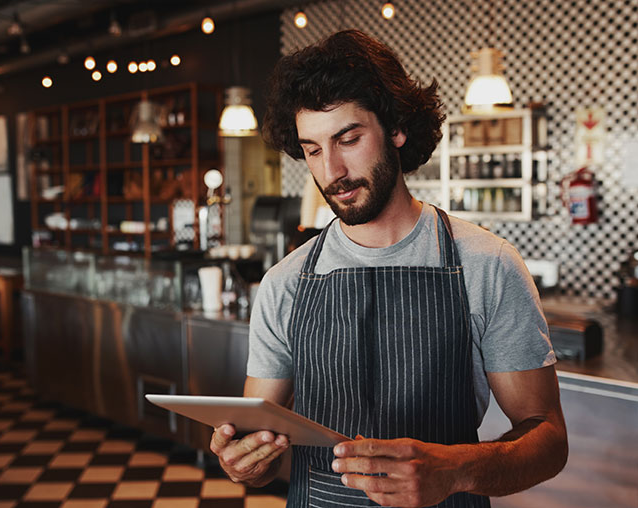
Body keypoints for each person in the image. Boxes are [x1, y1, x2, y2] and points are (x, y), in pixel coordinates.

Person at [210, 29, 568, 508]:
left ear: (396, 129)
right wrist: (244, 463)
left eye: (348, 138)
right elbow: (262, 450)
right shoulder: (285, 283)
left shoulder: (487, 264)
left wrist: (455, 470)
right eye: (313, 150)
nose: (331, 171)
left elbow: (548, 439)